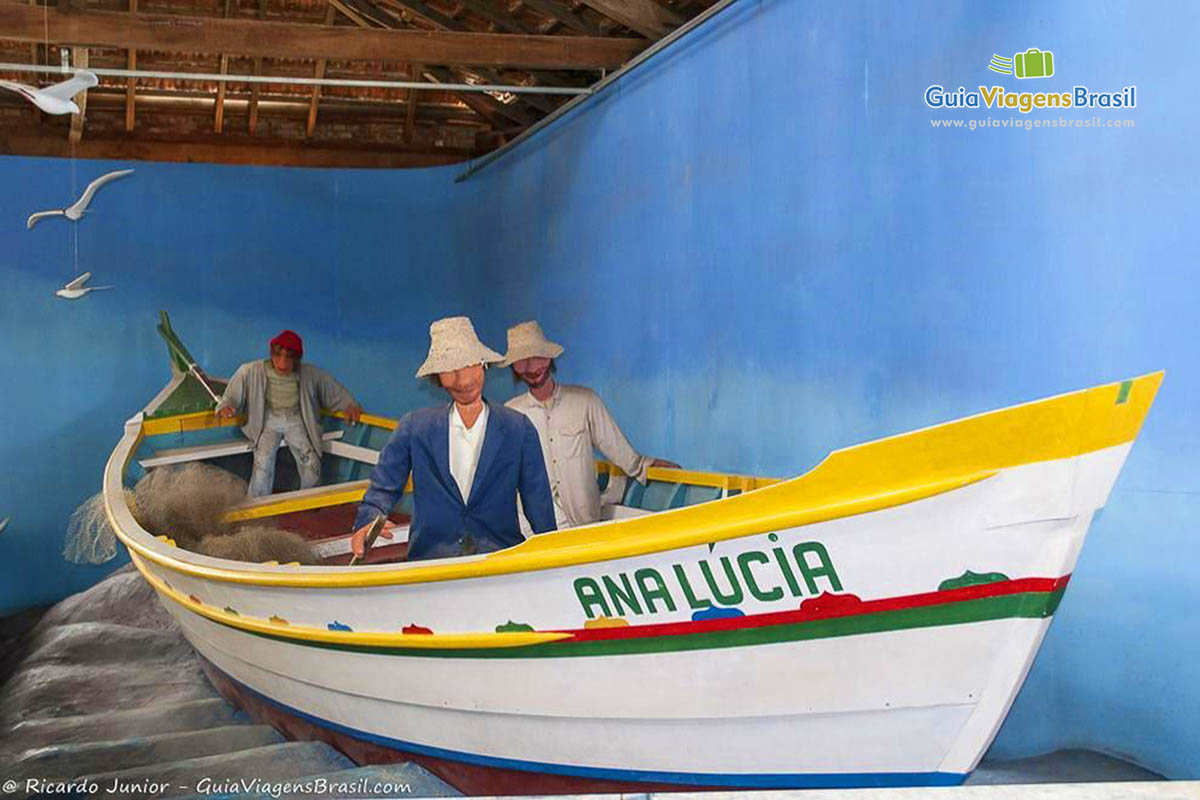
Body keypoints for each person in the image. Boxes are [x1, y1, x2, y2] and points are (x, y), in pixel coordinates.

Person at [350, 316, 556, 562]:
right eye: (451, 371)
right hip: (431, 562)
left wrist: (551, 556)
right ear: (437, 377)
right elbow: (383, 487)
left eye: (470, 365)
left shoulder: (518, 429)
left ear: (483, 364)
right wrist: (368, 520)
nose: (465, 380)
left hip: (501, 560)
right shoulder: (414, 427)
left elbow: (540, 505)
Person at [500, 320, 680, 529]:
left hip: (582, 521)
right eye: (523, 361)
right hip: (531, 526)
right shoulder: (510, 413)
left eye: (536, 358)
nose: (532, 368)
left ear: (549, 358)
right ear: (514, 367)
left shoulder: (585, 401)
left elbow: (614, 445)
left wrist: (644, 466)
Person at [216, 330, 363, 498]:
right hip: (268, 420)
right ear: (272, 354)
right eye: (278, 356)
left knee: (311, 462)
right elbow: (231, 396)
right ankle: (256, 503)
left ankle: (308, 500)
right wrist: (226, 405)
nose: (283, 362)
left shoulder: (310, 374)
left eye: (288, 357)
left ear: (297, 359)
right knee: (263, 462)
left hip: (295, 419)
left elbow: (334, 391)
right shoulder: (250, 371)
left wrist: (349, 404)